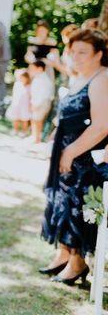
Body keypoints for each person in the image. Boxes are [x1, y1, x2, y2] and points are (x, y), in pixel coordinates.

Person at [40, 29, 108, 285]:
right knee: (61, 203)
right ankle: (64, 254)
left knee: (77, 207)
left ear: (99, 54)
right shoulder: (81, 76)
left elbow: (102, 125)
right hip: (68, 151)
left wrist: (70, 151)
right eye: (73, 51)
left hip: (86, 158)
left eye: (83, 52)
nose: (75, 57)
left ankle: (78, 263)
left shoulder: (102, 79)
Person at [29, 61, 55, 143]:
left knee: (38, 120)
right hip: (35, 102)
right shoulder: (37, 78)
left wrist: (36, 104)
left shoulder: (45, 79)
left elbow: (44, 94)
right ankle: (34, 136)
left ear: (40, 68)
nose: (31, 70)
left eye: (33, 68)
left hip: (42, 103)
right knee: (34, 119)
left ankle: (37, 139)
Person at [5, 69, 31, 136]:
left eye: (23, 77)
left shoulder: (29, 86)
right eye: (20, 77)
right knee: (15, 118)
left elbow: (30, 97)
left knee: (24, 119)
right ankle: (15, 130)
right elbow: (14, 94)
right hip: (16, 104)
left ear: (27, 78)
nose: (21, 79)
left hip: (25, 106)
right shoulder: (17, 84)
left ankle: (24, 131)